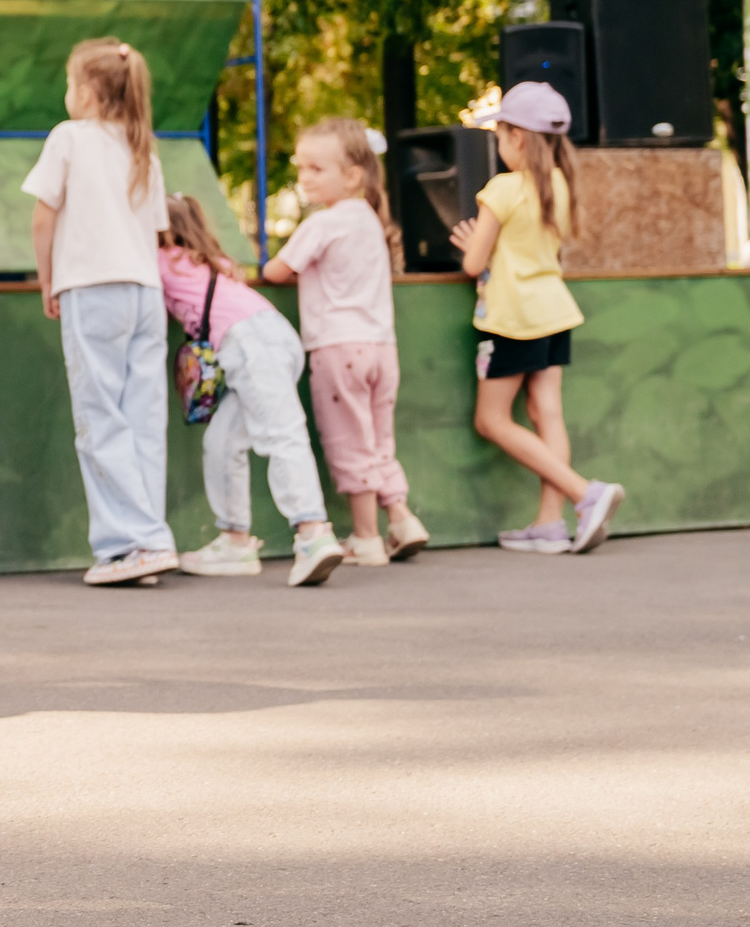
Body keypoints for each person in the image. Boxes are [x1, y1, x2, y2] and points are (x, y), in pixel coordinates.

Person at [449, 81, 627, 554]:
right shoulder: (563, 187)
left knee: (492, 420)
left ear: (518, 138)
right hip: (554, 310)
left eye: (500, 135)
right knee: (546, 413)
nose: (500, 144)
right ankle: (550, 525)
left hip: (512, 316)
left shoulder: (503, 190)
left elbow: (473, 265)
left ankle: (584, 494)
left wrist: (473, 247)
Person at [23, 38, 177, 587]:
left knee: (99, 418)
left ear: (86, 93)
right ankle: (149, 534)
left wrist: (47, 278)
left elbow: (44, 217)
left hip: (92, 288)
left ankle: (130, 544)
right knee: (142, 418)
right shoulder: (143, 149)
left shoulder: (69, 138)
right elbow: (157, 231)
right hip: (144, 292)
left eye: (69, 84)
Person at [263, 118, 429, 567]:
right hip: (380, 347)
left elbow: (276, 271)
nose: (305, 179)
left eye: (317, 169)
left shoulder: (324, 224)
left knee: (349, 441)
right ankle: (400, 517)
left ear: (353, 175)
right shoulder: (371, 221)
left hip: (338, 348)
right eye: (303, 169)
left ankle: (366, 537)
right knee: (378, 439)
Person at [160, 195, 347, 588]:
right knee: (223, 441)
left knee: (280, 433)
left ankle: (313, 533)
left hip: (250, 343)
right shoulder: (212, 262)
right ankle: (235, 542)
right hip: (271, 336)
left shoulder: (166, 260)